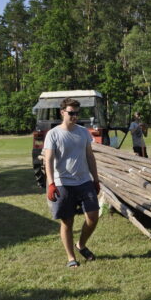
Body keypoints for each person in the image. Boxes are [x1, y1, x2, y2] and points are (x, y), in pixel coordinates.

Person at [43, 98, 101, 268]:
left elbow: (90, 156)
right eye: (71, 113)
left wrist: (95, 179)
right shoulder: (53, 134)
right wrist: (51, 184)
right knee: (67, 222)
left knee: (93, 217)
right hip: (63, 183)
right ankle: (71, 258)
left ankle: (81, 245)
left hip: (84, 181)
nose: (75, 116)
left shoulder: (83, 132)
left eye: (77, 113)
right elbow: (48, 160)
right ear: (62, 113)